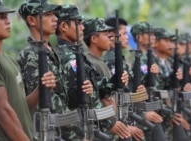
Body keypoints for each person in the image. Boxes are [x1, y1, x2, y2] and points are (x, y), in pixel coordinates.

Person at [0, 0, 56, 140]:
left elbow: (22, 107)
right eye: (0, 17)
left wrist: (41, 89)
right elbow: (2, 111)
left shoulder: (8, 60)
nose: (7, 21)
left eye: (7, 16)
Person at [17, 1, 94, 140]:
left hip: (64, 131)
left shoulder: (54, 52)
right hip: (49, 132)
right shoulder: (30, 55)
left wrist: (83, 91)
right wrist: (77, 134)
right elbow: (47, 100)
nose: (55, 19)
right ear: (31, 20)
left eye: (54, 14)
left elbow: (64, 95)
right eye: (47, 15)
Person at [55, 5, 131, 140]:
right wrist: (110, 122)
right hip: (78, 129)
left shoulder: (77, 54)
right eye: (77, 23)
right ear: (64, 27)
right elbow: (84, 95)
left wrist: (116, 80)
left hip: (89, 125)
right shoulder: (66, 57)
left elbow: (100, 88)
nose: (82, 27)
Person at [83, 17, 145, 141]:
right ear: (94, 39)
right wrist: (118, 124)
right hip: (107, 126)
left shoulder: (99, 61)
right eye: (106, 35)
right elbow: (103, 98)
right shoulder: (91, 62)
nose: (110, 38)